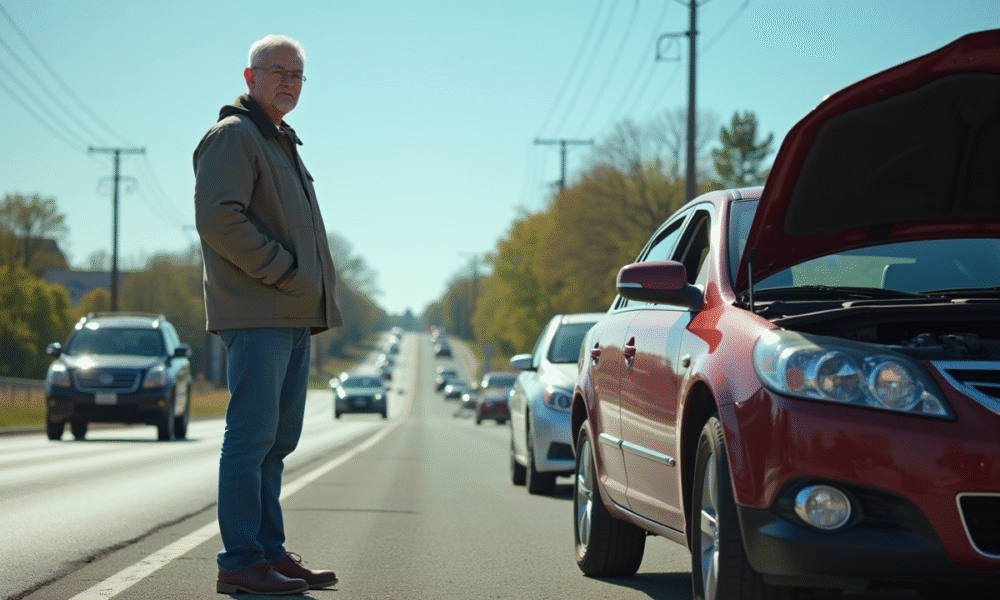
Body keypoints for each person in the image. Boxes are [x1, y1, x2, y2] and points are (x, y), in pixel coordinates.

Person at [193, 34, 342, 596]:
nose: (287, 81)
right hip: (258, 312)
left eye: (297, 74)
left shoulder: (279, 140)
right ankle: (241, 562)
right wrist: (283, 272)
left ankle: (271, 555)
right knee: (251, 440)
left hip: (291, 316)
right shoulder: (234, 137)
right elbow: (219, 218)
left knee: (277, 442)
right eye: (276, 70)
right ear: (249, 76)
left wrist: (306, 290)